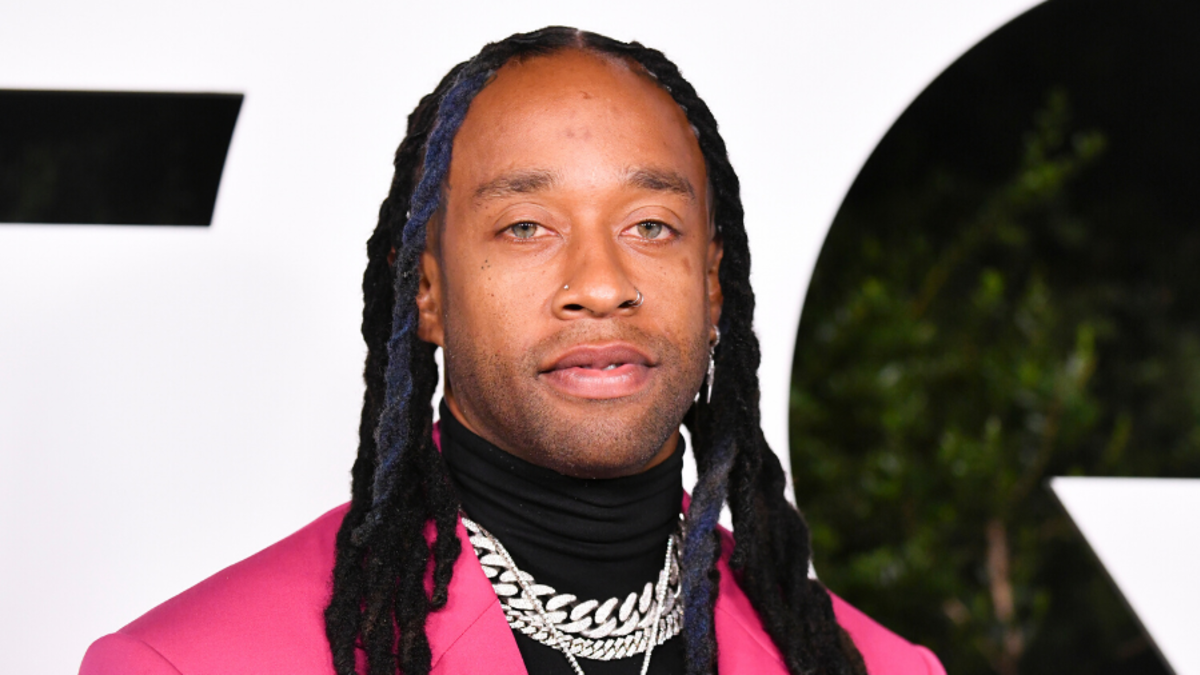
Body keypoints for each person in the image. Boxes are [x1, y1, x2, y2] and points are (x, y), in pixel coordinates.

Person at [79, 26, 945, 675]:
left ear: (713, 283)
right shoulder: (187, 663)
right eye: (526, 226)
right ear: (426, 290)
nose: (601, 284)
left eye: (651, 226)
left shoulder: (877, 666)